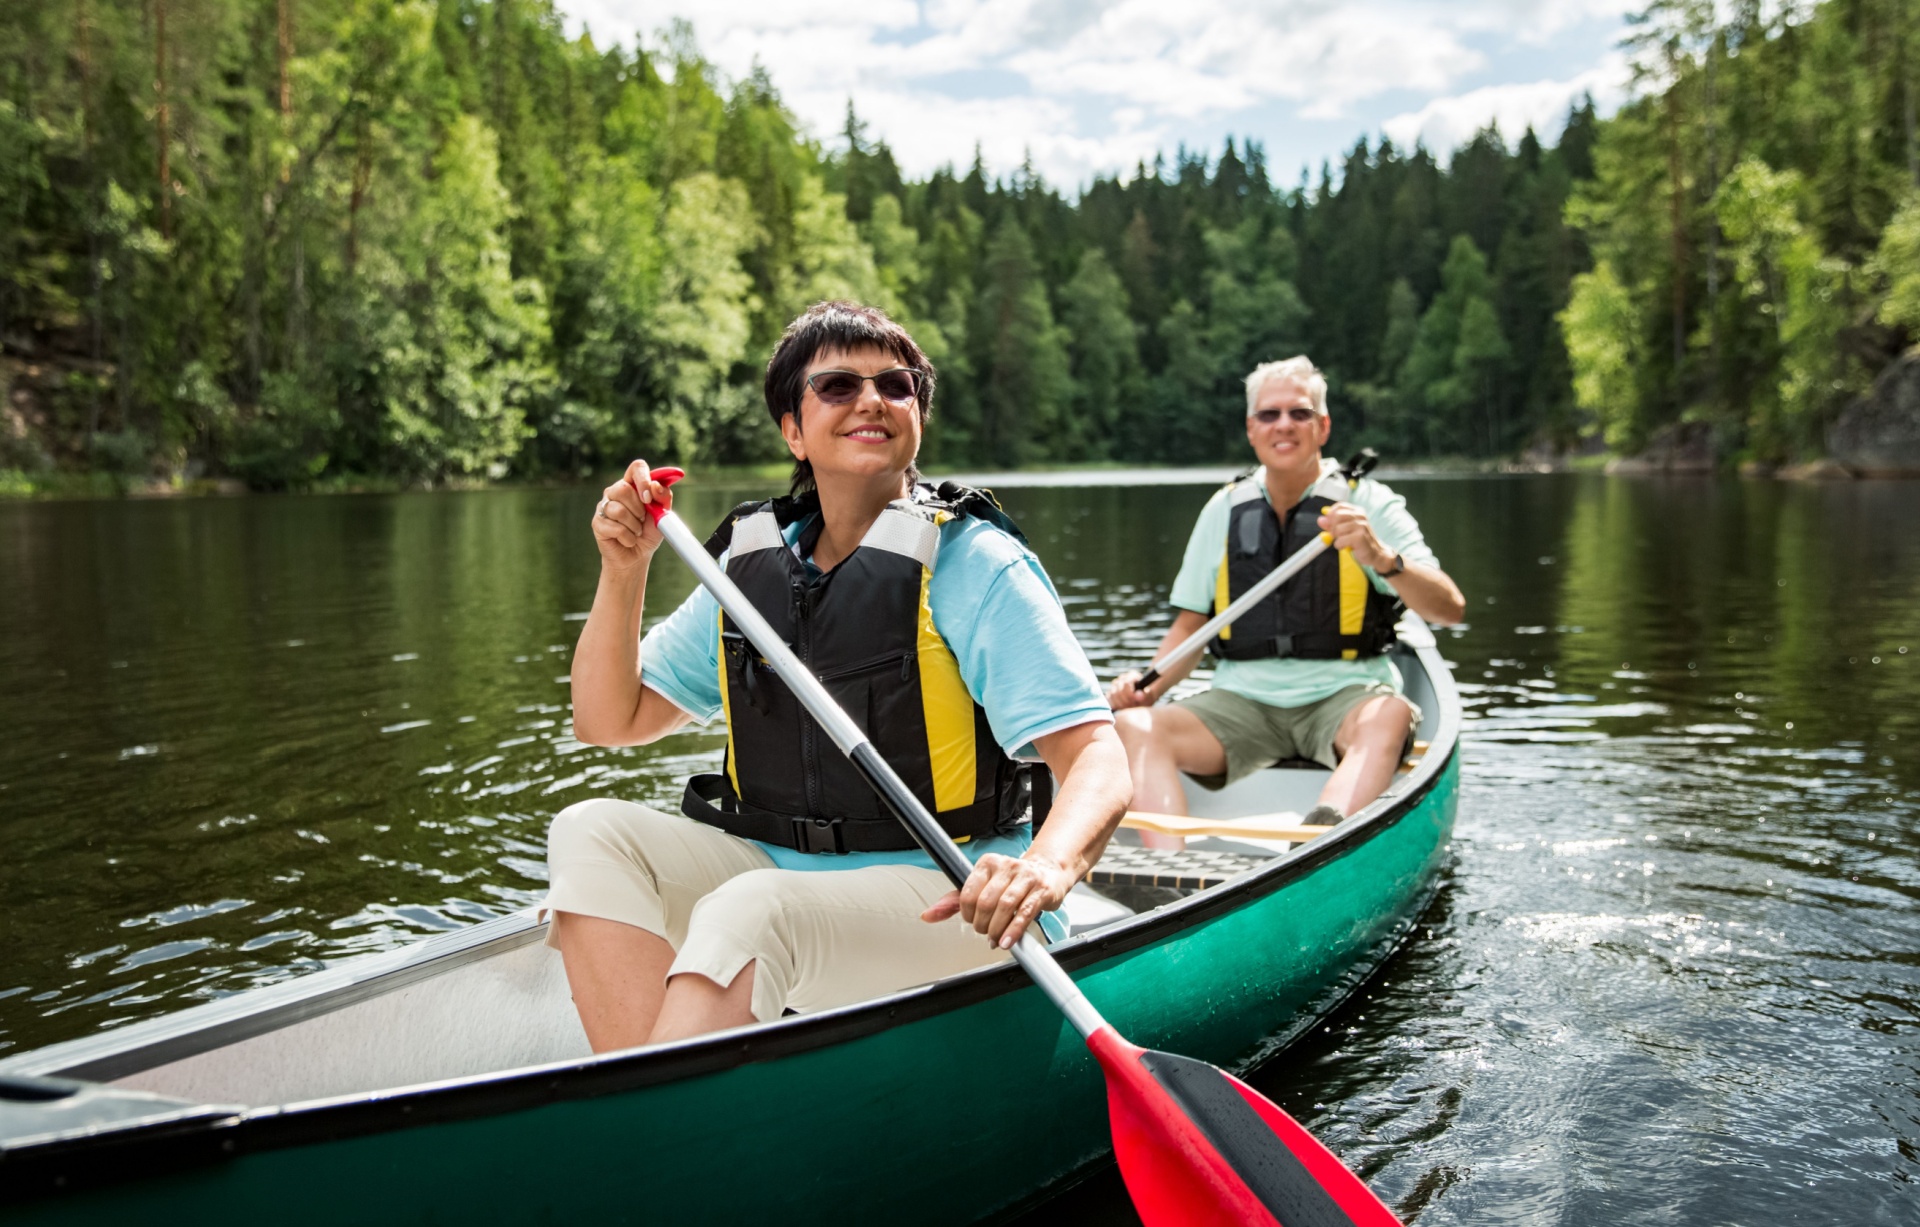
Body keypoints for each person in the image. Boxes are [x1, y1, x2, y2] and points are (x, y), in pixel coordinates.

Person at [545, 301, 1131, 1053]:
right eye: (837, 385)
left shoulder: (975, 564)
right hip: (783, 872)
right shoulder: (746, 569)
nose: (872, 401)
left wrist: (1045, 869)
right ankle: (649, 1107)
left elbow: (1098, 759)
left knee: (752, 910)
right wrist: (623, 572)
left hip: (952, 897)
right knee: (589, 832)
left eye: (897, 384)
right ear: (793, 428)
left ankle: (651, 1137)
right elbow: (608, 720)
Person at [1107, 356, 1464, 836]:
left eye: (1300, 413)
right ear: (1251, 429)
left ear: (1323, 426)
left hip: (1344, 699)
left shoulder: (1370, 503)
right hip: (1243, 703)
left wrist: (1381, 557)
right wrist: (1148, 688)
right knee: (1135, 727)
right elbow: (1190, 628)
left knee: (1391, 715)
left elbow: (1449, 609)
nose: (1284, 425)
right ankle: (1169, 877)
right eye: (1269, 415)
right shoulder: (1224, 509)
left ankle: (1317, 845)